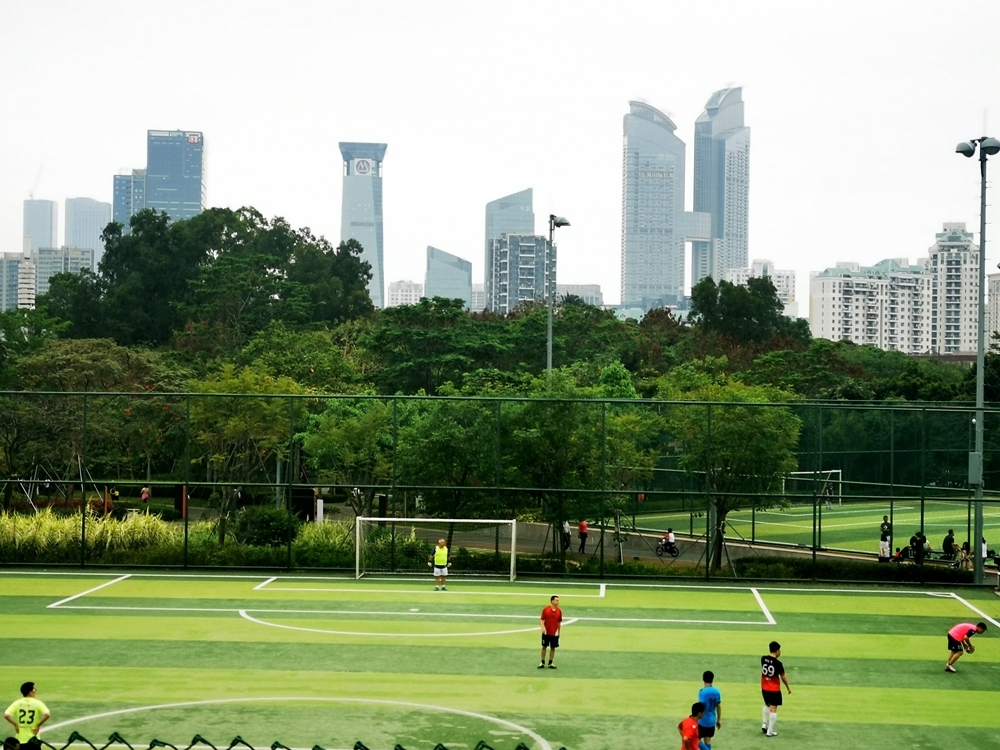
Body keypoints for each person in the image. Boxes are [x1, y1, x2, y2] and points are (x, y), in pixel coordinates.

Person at [4, 682, 50, 749]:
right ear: (30, 692)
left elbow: (6, 715)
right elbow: (47, 714)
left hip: (20, 740)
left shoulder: (17, 703)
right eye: (34, 690)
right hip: (34, 740)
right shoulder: (37, 703)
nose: (35, 692)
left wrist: (15, 724)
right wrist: (38, 725)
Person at [761, 641, 790, 737]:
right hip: (774, 689)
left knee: (767, 704)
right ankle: (770, 731)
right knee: (774, 709)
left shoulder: (763, 659)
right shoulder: (778, 663)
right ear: (777, 651)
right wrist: (788, 687)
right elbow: (783, 677)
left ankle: (764, 724)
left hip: (764, 687)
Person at [697, 671, 721, 748]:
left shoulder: (702, 692)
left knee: (695, 740)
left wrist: (695, 718)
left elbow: (701, 706)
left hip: (702, 720)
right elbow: (719, 706)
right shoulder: (717, 691)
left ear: (703, 679)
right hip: (712, 721)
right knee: (708, 740)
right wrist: (719, 720)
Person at [539, 595, 562, 669]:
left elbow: (559, 622)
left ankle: (550, 662)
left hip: (554, 632)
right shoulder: (546, 609)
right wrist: (543, 627)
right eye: (556, 600)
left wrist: (559, 632)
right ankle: (542, 662)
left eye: (558, 600)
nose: (557, 602)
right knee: (544, 646)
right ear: (552, 601)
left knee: (553, 647)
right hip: (546, 632)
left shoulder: (559, 611)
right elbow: (542, 619)